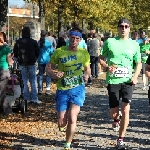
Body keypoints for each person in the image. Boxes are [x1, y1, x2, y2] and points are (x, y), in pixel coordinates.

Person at [99, 18, 141, 149]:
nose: (123, 28)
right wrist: (106, 67)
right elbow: (100, 58)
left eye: (126, 26)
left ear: (129, 28)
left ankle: (121, 139)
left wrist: (135, 77)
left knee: (126, 109)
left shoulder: (134, 44)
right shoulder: (110, 42)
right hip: (113, 80)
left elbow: (138, 63)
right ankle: (116, 119)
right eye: (121, 26)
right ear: (117, 28)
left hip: (128, 81)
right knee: (114, 113)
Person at [46, 27, 91, 150]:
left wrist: (87, 75)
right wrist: (54, 75)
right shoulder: (59, 52)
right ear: (68, 38)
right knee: (62, 121)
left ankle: (68, 143)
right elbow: (48, 67)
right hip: (63, 89)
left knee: (72, 117)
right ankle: (61, 125)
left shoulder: (84, 53)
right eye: (72, 38)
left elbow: (87, 68)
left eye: (77, 38)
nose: (74, 40)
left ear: (80, 40)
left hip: (78, 89)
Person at [13, 27, 41, 104]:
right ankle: (34, 98)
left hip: (22, 63)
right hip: (32, 63)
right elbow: (38, 52)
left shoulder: (18, 42)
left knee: (24, 82)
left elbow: (15, 53)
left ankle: (27, 98)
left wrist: (18, 59)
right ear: (29, 33)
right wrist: (35, 58)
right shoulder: (33, 42)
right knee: (33, 81)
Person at [0, 32, 14, 115]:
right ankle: (7, 110)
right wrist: (12, 62)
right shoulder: (6, 48)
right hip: (3, 71)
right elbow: (10, 62)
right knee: (2, 92)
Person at [37, 30, 54, 95]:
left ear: (40, 35)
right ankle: (47, 89)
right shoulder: (48, 43)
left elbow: (36, 52)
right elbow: (51, 52)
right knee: (48, 75)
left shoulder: (38, 43)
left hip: (40, 61)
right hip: (47, 61)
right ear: (46, 35)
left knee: (40, 75)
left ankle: (40, 89)